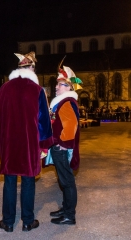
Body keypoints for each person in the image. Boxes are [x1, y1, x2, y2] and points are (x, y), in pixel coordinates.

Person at [0, 52, 53, 232]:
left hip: (9, 143)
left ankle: (8, 222)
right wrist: (45, 144)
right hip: (29, 143)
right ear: (32, 68)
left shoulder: (3, 89)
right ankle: (28, 221)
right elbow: (44, 121)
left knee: (9, 181)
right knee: (28, 181)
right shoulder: (37, 90)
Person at [49, 65, 82, 225]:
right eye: (56, 84)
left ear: (68, 87)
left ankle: (69, 215)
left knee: (67, 182)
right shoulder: (63, 102)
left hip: (61, 148)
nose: (56, 87)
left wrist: (62, 144)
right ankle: (66, 208)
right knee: (64, 181)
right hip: (60, 147)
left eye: (59, 84)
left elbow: (71, 125)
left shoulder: (67, 102)